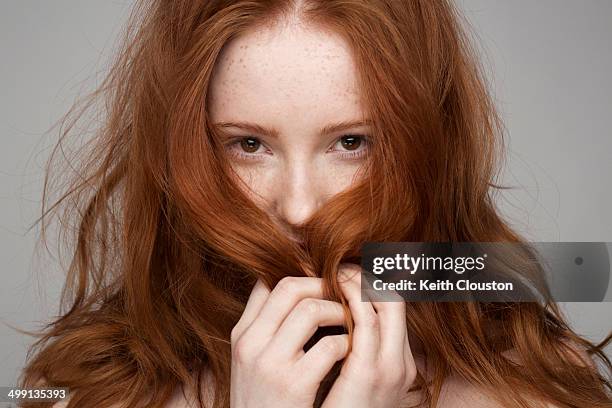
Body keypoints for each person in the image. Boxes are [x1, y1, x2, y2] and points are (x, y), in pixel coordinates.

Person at [16, 0, 611, 407]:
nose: (299, 208)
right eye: (249, 145)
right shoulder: (70, 391)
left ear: (426, 143)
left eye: (351, 143)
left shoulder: (532, 388)